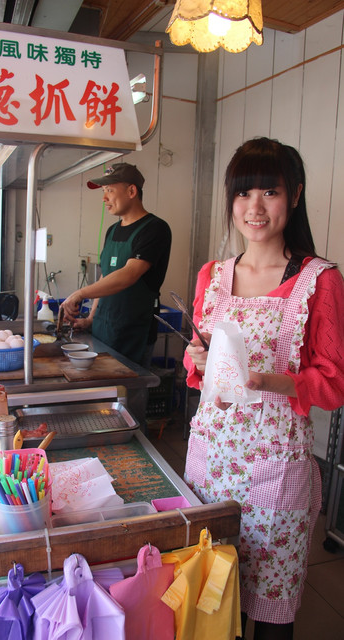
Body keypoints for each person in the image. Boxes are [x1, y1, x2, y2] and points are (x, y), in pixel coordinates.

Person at [183, 137, 344, 640]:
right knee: (208, 600)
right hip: (212, 458)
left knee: (271, 613)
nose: (254, 207)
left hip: (276, 472)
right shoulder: (213, 275)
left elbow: (333, 383)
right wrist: (197, 358)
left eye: (269, 192)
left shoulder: (320, 280)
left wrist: (266, 380)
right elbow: (198, 363)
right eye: (243, 193)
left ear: (293, 196)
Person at [61, 163, 172, 368]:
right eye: (103, 192)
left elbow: (129, 274)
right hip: (103, 329)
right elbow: (107, 275)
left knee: (128, 395)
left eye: (110, 190)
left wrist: (80, 293)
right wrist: (91, 319)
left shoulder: (155, 229)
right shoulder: (112, 230)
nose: (104, 198)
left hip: (133, 332)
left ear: (131, 191)